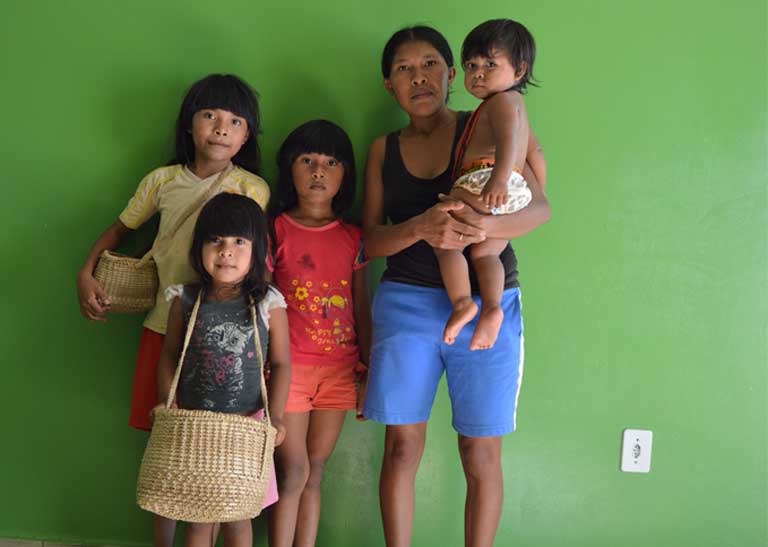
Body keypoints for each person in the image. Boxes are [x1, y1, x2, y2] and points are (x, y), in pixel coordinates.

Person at [361, 26, 550, 547]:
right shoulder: (382, 150)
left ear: (451, 76)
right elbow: (368, 243)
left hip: (494, 301)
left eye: (429, 64)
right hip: (405, 304)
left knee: (481, 453)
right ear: (388, 84)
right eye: (403, 68)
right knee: (401, 448)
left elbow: (540, 208)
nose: (418, 76)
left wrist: (482, 230)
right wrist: (421, 227)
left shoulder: (488, 118)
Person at [75, 74, 270, 547]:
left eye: (234, 121)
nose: (221, 128)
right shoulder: (161, 182)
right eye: (210, 116)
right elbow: (120, 230)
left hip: (223, 338)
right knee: (165, 447)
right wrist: (86, 270)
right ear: (189, 124)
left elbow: (255, 259)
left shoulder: (253, 188)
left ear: (246, 136)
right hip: (163, 329)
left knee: (222, 453)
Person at [156, 193, 290, 547]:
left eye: (239, 242)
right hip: (194, 428)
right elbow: (169, 354)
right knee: (199, 518)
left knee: (238, 517)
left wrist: (275, 418)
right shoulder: (184, 298)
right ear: (199, 247)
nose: (226, 251)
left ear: (258, 250)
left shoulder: (268, 303)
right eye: (216, 240)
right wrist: (168, 404)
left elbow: (281, 364)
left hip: (247, 428)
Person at [266, 120, 371, 547]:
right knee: (291, 471)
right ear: (289, 169)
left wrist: (368, 367)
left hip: (340, 372)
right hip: (288, 370)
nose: (318, 171)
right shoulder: (274, 229)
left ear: (345, 175)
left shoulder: (353, 237)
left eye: (331, 163)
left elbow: (360, 305)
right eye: (306, 160)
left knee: (315, 469)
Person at [438, 18, 546, 350]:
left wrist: (500, 178)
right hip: (512, 192)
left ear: (519, 70)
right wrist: (530, 192)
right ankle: (494, 307)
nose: (478, 72)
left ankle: (462, 303)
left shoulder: (501, 103)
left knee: (445, 238)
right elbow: (535, 152)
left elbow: (509, 139)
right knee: (485, 254)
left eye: (489, 63)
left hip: (485, 180)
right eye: (471, 65)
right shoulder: (517, 106)